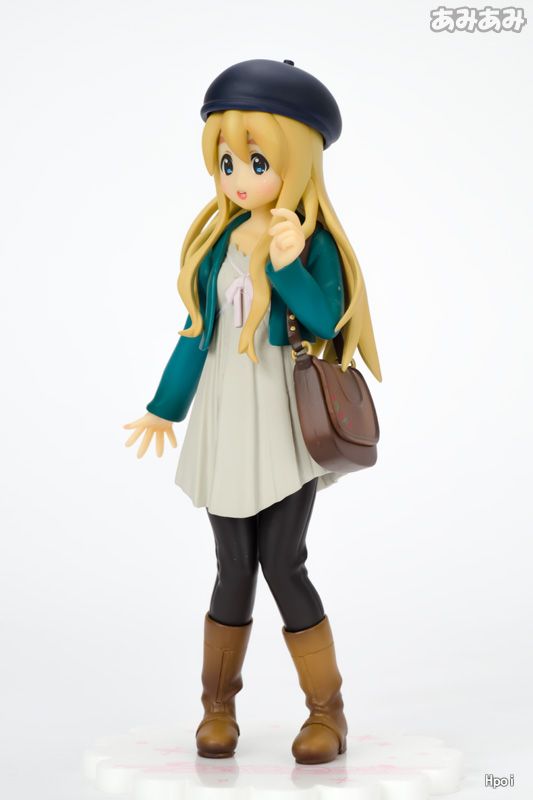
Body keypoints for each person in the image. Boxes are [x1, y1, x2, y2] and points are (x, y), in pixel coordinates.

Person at [123, 59, 382, 765]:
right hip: (226, 418)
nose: (239, 177)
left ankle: (327, 712)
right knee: (232, 564)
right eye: (228, 161)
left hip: (284, 420)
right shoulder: (217, 245)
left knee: (284, 561)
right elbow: (195, 334)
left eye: (257, 161)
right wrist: (163, 408)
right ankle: (217, 707)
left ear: (297, 162)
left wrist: (289, 264)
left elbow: (326, 320)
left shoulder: (309, 241)